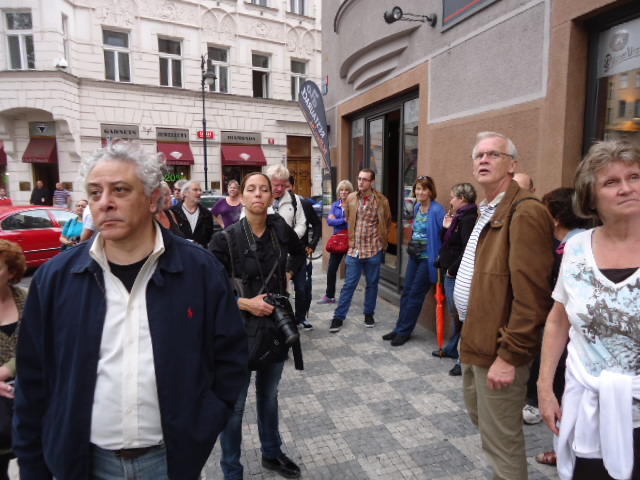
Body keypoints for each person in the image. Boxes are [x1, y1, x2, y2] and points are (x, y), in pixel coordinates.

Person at [13, 141, 248, 479]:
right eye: (95, 193)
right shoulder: (56, 279)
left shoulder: (200, 271)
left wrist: (204, 421)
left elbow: (231, 356)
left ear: (153, 199)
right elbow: (32, 379)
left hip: (170, 461)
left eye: (120, 190)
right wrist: (33, 467)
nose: (104, 202)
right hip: (83, 462)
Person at [454, 131, 555, 479]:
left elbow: (532, 298)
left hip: (499, 350)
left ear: (512, 165)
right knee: (484, 424)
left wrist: (510, 356)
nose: (484, 159)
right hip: (474, 340)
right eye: (479, 155)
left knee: (502, 443)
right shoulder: (487, 209)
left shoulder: (525, 212)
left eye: (493, 154)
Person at [538, 140, 640, 480]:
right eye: (611, 181)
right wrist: (545, 388)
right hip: (587, 410)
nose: (626, 188)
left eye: (634, 176)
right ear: (590, 197)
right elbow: (558, 320)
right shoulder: (577, 248)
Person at [210, 172, 305, 480]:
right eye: (251, 189)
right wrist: (245, 303)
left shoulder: (279, 228)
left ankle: (271, 453)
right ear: (242, 196)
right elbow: (209, 289)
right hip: (237, 333)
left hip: (273, 330)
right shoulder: (225, 239)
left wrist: (289, 273)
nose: (258, 194)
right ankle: (231, 471)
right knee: (235, 407)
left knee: (269, 396)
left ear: (271, 196)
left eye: (264, 189)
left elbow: (300, 253)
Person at [382, 175, 445, 346]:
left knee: (415, 295)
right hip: (414, 256)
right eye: (417, 188)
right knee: (406, 292)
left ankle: (404, 332)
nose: (420, 192)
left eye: (424, 189)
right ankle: (399, 328)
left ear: (430, 191)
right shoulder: (417, 207)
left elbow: (444, 234)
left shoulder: (437, 210)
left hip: (427, 259)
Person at [330, 168, 391, 332]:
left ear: (372, 182)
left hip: (373, 250)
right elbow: (348, 217)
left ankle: (369, 314)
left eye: (364, 179)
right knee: (349, 285)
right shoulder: (351, 198)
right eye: (359, 179)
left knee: (372, 284)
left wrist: (381, 243)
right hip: (354, 250)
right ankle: (338, 317)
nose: (360, 182)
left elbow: (387, 222)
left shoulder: (382, 201)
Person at [432, 183, 478, 375]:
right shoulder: (459, 217)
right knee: (455, 313)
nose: (450, 200)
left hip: (457, 274)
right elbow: (449, 242)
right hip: (450, 271)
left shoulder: (468, 219)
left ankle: (461, 358)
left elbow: (468, 248)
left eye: (453, 197)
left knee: (461, 313)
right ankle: (453, 347)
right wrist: (446, 228)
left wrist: (452, 270)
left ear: (462, 199)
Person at [0, 240, 27, 480]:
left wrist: (8, 369)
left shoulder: (27, 299)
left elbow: (44, 343)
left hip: (31, 400)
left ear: (11, 272)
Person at [288, 175, 321, 331]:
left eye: (287, 187)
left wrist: (312, 244)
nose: (283, 190)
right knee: (282, 290)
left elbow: (317, 225)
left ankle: (301, 317)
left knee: (302, 288)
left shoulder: (305, 204)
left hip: (301, 255)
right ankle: (286, 320)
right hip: (281, 256)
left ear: (293, 186)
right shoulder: (272, 206)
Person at [318, 180, 354, 304]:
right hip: (338, 240)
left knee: (351, 270)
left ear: (350, 192)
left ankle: (347, 296)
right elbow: (330, 221)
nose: (343, 192)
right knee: (332, 269)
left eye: (346, 190)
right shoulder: (335, 205)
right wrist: (344, 220)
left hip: (351, 241)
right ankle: (330, 296)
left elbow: (352, 223)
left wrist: (338, 220)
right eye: (341, 190)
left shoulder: (353, 205)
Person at [171, 180, 214, 248]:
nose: (199, 193)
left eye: (200, 190)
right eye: (195, 190)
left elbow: (209, 237)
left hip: (200, 252)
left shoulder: (206, 214)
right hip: (179, 252)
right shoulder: (173, 212)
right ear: (185, 193)